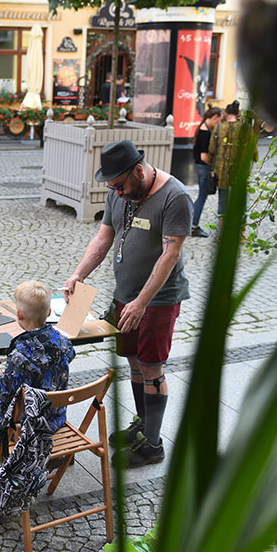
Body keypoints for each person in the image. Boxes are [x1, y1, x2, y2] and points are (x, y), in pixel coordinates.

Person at [63, 139, 192, 467]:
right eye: (112, 187)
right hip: (125, 294)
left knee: (151, 367)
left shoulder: (174, 196)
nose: (116, 193)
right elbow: (104, 237)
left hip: (157, 300)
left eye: (120, 186)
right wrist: (78, 274)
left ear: (139, 171)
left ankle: (152, 444)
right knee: (134, 361)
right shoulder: (118, 192)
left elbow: (170, 254)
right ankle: (142, 424)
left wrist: (141, 303)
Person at [0, 280, 76, 433]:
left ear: (19, 314)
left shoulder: (20, 356)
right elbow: (70, 355)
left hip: (27, 423)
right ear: (49, 312)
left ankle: (6, 456)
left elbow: (8, 392)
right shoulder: (63, 342)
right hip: (55, 417)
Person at [207, 100, 258, 236]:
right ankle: (241, 234)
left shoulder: (219, 128)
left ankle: (222, 234)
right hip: (240, 171)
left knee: (223, 201)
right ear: (238, 113)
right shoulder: (246, 128)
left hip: (222, 170)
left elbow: (212, 149)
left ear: (225, 113)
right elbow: (253, 151)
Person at [191, 106, 223, 238]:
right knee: (202, 196)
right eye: (218, 120)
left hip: (199, 166)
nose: (219, 123)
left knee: (201, 195)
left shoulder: (201, 128)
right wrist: (213, 165)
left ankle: (191, 223)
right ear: (214, 117)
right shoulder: (206, 133)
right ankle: (193, 225)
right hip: (203, 167)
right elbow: (204, 156)